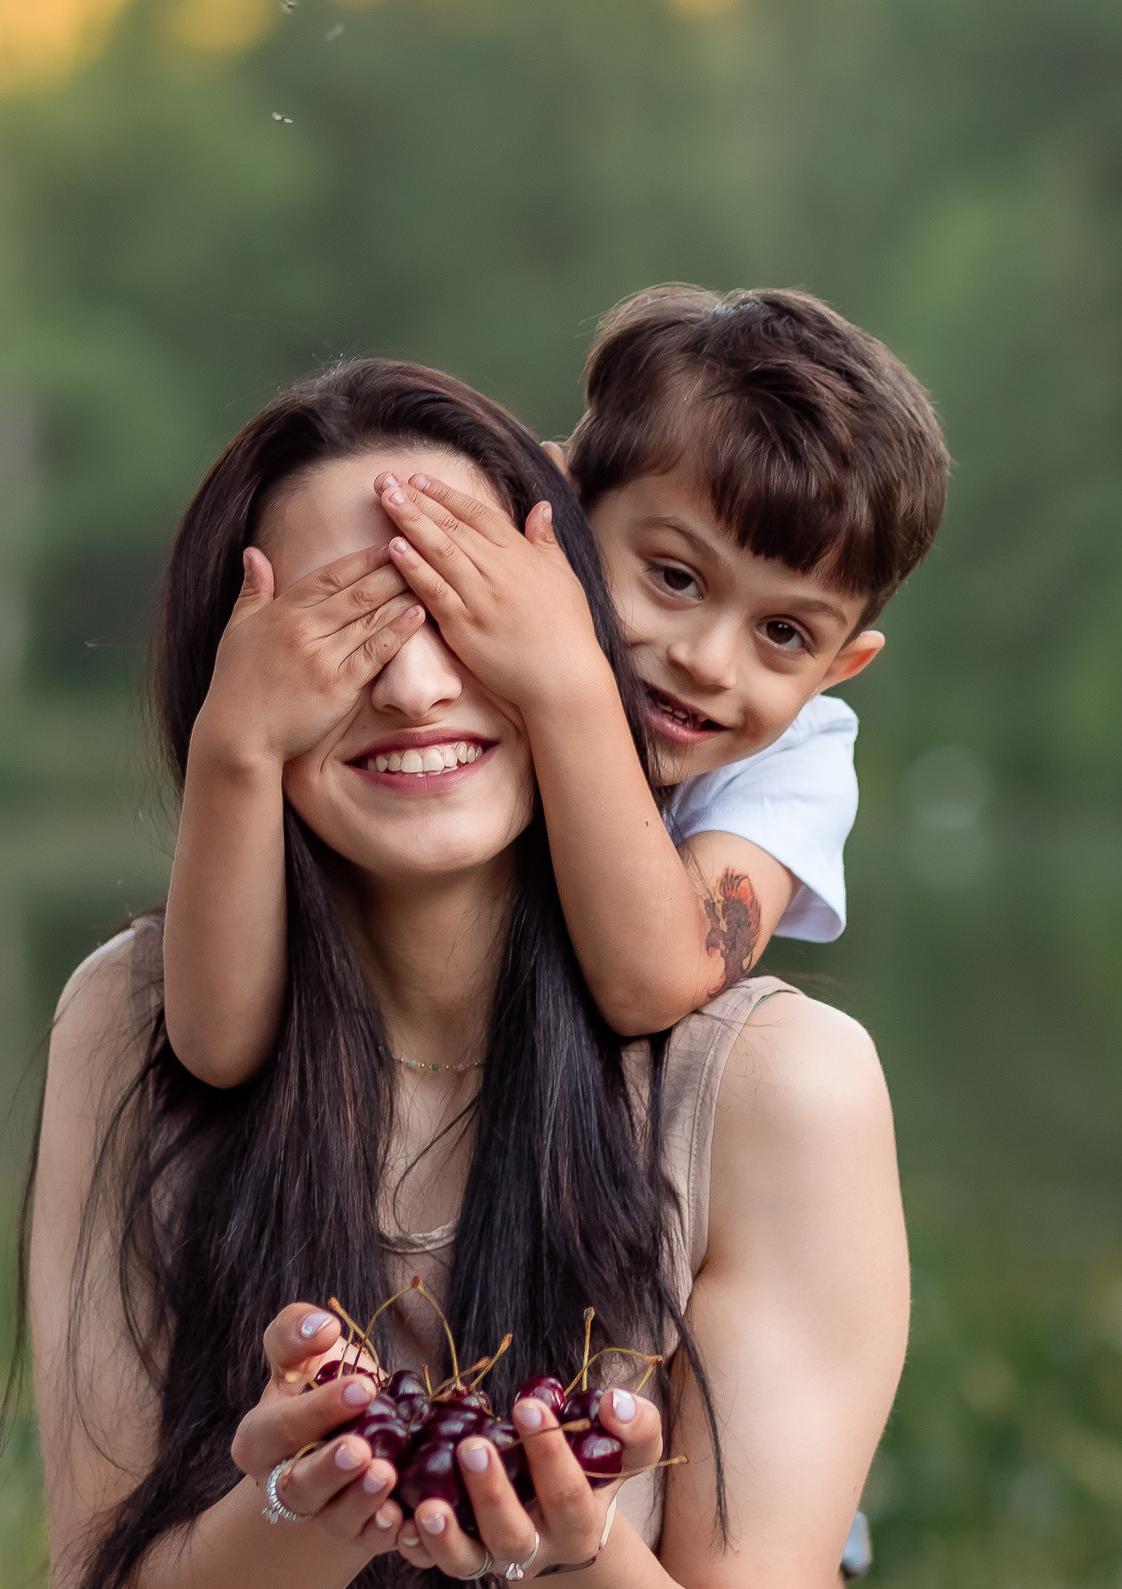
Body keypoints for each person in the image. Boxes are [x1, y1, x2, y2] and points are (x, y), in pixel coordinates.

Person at [27, 359, 910, 1589]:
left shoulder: (775, 1085)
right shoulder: (125, 1018)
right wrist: (308, 1502)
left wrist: (569, 1547)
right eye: (346, 628)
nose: (415, 684)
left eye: (460, 607)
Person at [161, 284, 949, 1088]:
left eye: (785, 633)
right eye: (675, 577)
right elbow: (218, 1048)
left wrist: (565, 683)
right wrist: (237, 747)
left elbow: (655, 982)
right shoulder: (466, 696)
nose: (708, 662)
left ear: (837, 670)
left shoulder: (797, 761)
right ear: (561, 509)